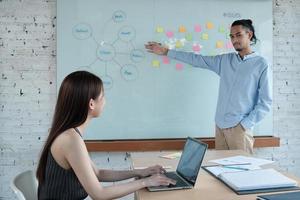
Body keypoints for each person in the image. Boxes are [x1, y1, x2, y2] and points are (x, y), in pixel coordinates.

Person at [36, 71, 176, 200]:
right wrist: (147, 181)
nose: (105, 102)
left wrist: (139, 172)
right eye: (102, 97)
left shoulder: (69, 133)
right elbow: (99, 194)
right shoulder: (70, 140)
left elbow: (98, 173)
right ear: (91, 103)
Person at [145, 19, 272, 154]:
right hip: (220, 126)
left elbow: (266, 102)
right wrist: (166, 52)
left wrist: (245, 124)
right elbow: (197, 59)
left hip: (239, 129)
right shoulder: (225, 60)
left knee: (242, 171)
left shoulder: (261, 64)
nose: (235, 40)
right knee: (221, 169)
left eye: (239, 35)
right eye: (232, 36)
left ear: (249, 35)